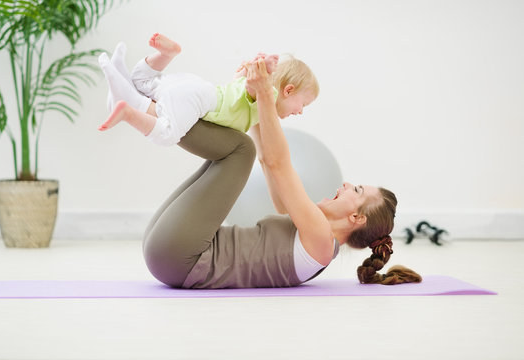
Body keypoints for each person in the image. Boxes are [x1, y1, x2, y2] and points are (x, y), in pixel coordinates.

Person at [102, 55, 422, 288]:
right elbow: (278, 190)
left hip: (181, 257)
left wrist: (267, 97)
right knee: (237, 149)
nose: (348, 184)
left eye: (358, 191)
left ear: (356, 218)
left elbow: (277, 163)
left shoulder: (323, 241)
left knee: (240, 151)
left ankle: (144, 106)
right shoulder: (311, 231)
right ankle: (142, 102)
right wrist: (255, 99)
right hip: (172, 249)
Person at [98, 33, 318, 147]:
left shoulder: (252, 94)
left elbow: (239, 86)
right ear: (288, 90)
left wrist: (252, 67)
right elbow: (252, 88)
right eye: (304, 105)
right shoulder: (266, 94)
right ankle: (128, 111)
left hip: (194, 86)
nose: (300, 112)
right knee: (166, 133)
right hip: (197, 100)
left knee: (142, 82)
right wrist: (266, 69)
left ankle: (165, 55)